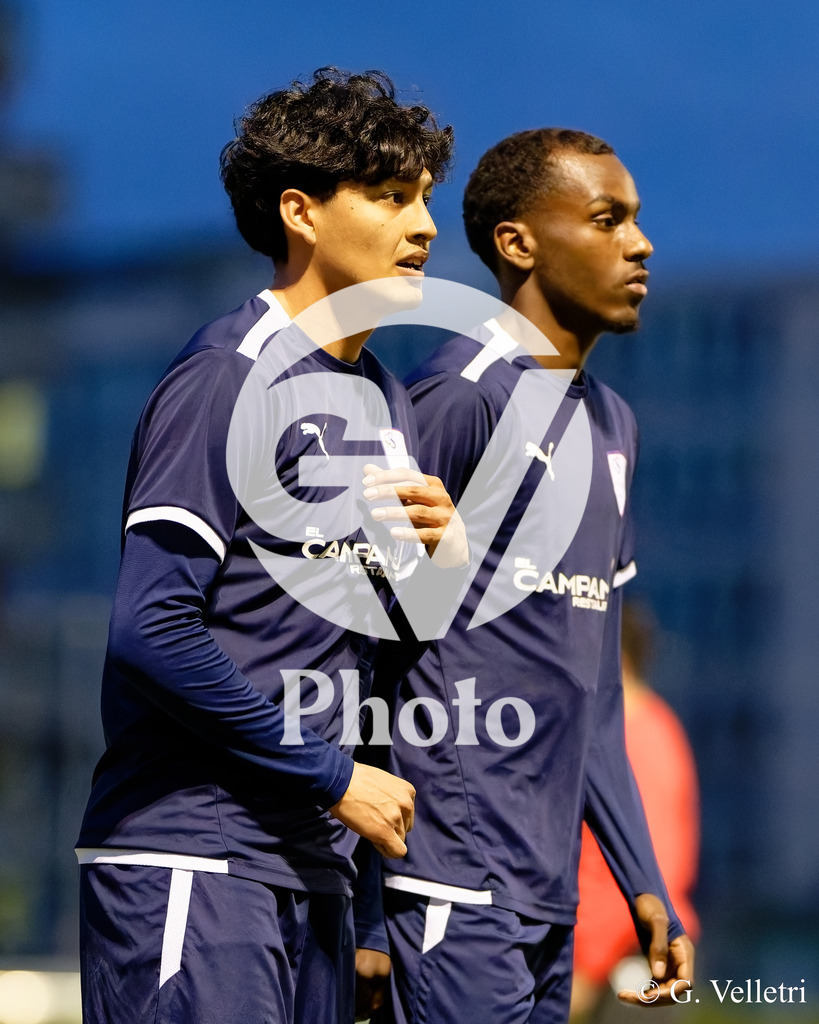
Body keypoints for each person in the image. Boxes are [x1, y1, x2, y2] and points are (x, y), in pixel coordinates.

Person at [75, 68, 458, 1024]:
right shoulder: (223, 380)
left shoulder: (385, 400)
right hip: (191, 859)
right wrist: (333, 780)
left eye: (424, 199)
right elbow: (151, 630)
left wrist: (441, 569)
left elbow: (361, 660)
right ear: (301, 212)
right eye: (389, 195)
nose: (424, 226)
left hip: (314, 879)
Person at [361, 127, 696, 1023]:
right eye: (606, 219)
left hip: (550, 894)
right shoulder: (459, 395)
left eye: (636, 220)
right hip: (445, 880)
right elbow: (359, 634)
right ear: (518, 244)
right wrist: (358, 895)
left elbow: (595, 689)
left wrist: (641, 881)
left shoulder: (614, 425)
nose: (640, 242)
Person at [570, 602, 700, 1021]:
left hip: (626, 967)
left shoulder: (628, 737)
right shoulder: (662, 726)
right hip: (634, 957)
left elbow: (648, 866)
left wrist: (587, 968)